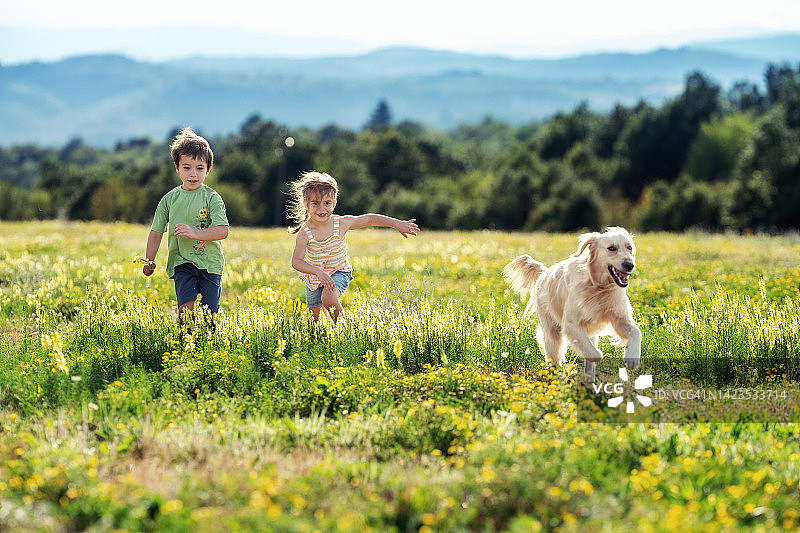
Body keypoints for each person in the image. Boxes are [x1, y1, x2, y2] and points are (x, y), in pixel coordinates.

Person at [289, 171, 419, 322]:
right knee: (315, 321)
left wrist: (396, 223)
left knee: (329, 298)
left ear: (334, 203)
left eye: (327, 203)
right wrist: (317, 272)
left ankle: (345, 329)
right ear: (305, 204)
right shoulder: (305, 232)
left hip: (339, 271)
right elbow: (296, 261)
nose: (322, 209)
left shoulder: (341, 223)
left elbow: (369, 219)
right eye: (315, 203)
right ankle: (322, 337)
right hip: (314, 277)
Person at [142, 127, 229, 328]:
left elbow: (222, 230)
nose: (193, 174)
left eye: (199, 168)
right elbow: (156, 233)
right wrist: (149, 260)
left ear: (208, 169)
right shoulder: (169, 200)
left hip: (210, 264)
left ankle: (207, 348)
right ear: (177, 167)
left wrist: (194, 233)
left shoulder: (212, 198)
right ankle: (184, 347)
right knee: (185, 309)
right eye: (187, 167)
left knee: (209, 314)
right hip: (182, 261)